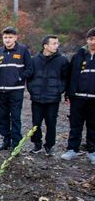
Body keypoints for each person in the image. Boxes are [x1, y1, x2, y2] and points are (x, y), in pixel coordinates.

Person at [26, 35, 70, 156]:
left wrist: (59, 90)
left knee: (51, 123)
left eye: (57, 43)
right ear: (45, 46)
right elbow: (29, 78)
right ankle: (37, 144)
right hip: (37, 98)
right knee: (36, 123)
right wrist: (33, 90)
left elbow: (66, 78)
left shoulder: (62, 60)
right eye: (54, 43)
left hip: (53, 99)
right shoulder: (34, 60)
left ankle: (49, 146)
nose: (57, 46)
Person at [0, 27, 33, 151]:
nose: (8, 40)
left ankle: (16, 144)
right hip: (0, 91)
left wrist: (19, 77)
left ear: (16, 37)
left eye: (10, 37)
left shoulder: (23, 50)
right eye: (5, 37)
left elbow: (30, 69)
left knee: (15, 117)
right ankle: (6, 140)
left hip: (16, 90)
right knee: (2, 117)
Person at [62, 27, 95, 164]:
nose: (93, 42)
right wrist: (68, 94)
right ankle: (72, 149)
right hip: (78, 97)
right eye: (91, 39)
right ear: (87, 40)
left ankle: (92, 151)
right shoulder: (78, 55)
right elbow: (70, 76)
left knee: (93, 125)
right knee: (75, 124)